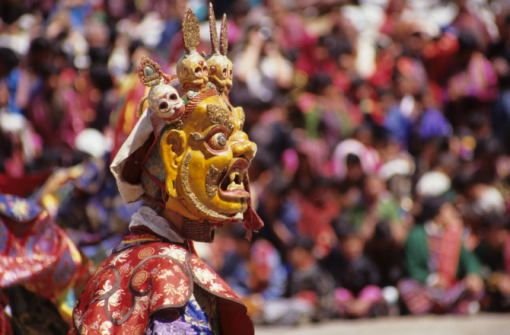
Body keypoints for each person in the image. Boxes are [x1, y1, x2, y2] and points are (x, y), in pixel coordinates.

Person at [70, 7, 262, 335]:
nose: (245, 148)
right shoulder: (159, 271)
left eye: (237, 134)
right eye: (219, 138)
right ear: (173, 154)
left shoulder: (166, 259)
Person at [399, 196, 484, 315]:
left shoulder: (454, 235)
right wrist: (434, 279)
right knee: (406, 287)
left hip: (451, 285)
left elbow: (469, 259)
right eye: (449, 210)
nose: (454, 214)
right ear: (437, 214)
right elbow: (412, 267)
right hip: (426, 286)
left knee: (473, 288)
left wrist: (472, 274)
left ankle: (448, 306)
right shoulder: (416, 236)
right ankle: (447, 307)